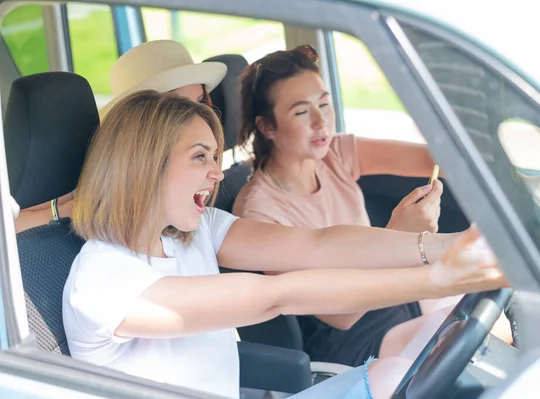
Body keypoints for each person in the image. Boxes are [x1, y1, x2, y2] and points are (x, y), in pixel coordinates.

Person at [62, 89, 506, 399]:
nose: (217, 174)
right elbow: (274, 296)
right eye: (200, 157)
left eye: (216, 158)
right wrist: (439, 278)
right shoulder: (101, 281)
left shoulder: (194, 232)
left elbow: (317, 246)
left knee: (401, 371)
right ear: (144, 164)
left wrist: (448, 245)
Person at [232, 45, 540, 366]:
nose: (321, 122)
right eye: (301, 111)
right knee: (473, 334)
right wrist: (397, 235)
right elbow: (340, 314)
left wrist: (513, 182)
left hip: (395, 291)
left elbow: (437, 156)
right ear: (267, 127)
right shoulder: (258, 209)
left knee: (496, 312)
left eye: (324, 104)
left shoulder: (335, 154)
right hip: (348, 334)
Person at [13, 39, 225, 234]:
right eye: (181, 109)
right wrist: (82, 207)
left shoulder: (205, 198)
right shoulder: (100, 177)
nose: (200, 117)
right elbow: (13, 226)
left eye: (200, 102)